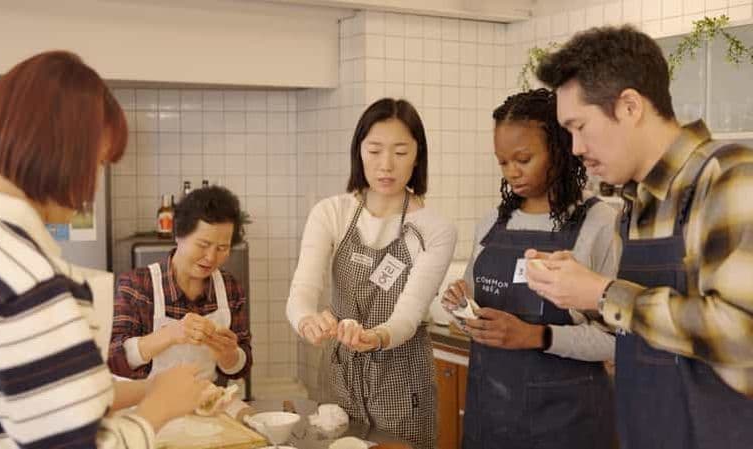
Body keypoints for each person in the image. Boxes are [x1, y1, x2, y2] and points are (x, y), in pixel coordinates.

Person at [0, 50, 208, 449]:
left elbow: (39, 392)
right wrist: (158, 409)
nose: (94, 184)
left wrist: (151, 389)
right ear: (63, 155)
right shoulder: (29, 284)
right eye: (98, 163)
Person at [525, 25, 753, 449]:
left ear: (630, 106)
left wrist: (604, 294)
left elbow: (743, 336)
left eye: (580, 126)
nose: (575, 148)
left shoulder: (728, 177)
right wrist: (576, 289)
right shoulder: (635, 204)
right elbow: (638, 331)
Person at [442, 88, 619, 449]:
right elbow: (472, 315)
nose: (512, 172)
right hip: (490, 419)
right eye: (503, 162)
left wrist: (534, 336)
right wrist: (461, 308)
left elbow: (617, 340)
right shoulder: (493, 222)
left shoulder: (599, 222)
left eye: (523, 159)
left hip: (568, 424)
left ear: (559, 147)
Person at [286, 98, 457, 449]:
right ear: (359, 151)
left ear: (417, 156)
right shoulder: (331, 213)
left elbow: (407, 317)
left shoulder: (435, 229)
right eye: (375, 150)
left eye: (400, 152)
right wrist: (307, 320)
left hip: (402, 379)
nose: (386, 165)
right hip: (339, 375)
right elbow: (302, 290)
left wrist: (376, 336)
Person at [109, 186, 251, 386]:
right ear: (178, 235)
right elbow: (114, 361)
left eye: (222, 248)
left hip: (208, 401)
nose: (211, 257)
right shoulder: (137, 285)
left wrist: (230, 355)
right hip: (150, 402)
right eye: (203, 245)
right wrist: (170, 334)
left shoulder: (230, 288)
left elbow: (241, 367)